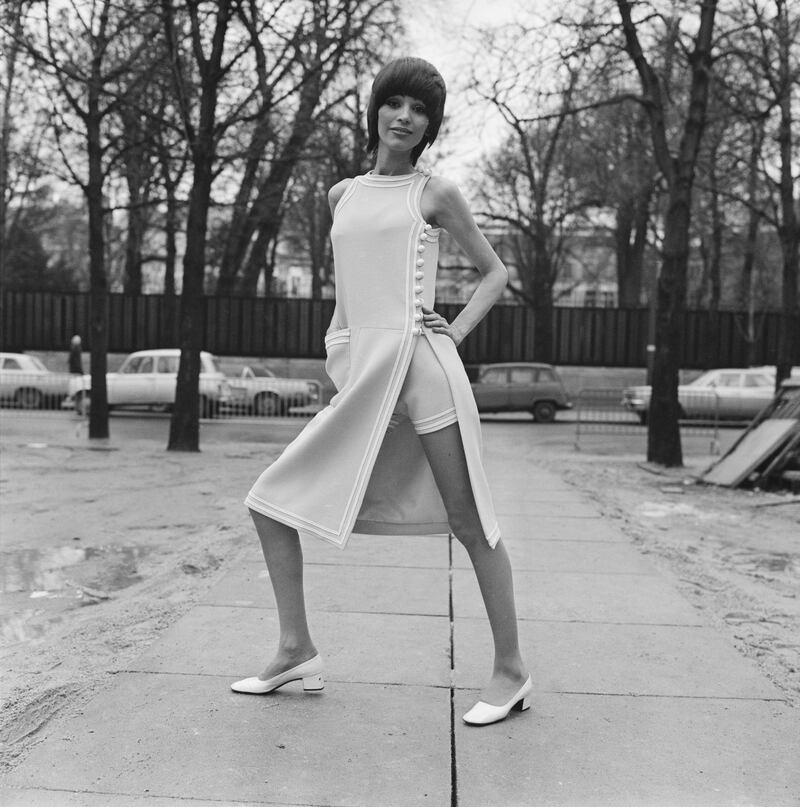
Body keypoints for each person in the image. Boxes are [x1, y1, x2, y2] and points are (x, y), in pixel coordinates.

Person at [232, 57, 530, 726]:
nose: (404, 117)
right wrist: (342, 363)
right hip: (366, 379)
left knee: (470, 520)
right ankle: (294, 647)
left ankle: (511, 671)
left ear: (430, 125)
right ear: (374, 110)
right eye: (395, 103)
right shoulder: (341, 194)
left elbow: (495, 273)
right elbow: (344, 303)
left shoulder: (435, 193)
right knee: (270, 501)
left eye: (419, 110)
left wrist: (450, 331)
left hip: (426, 374)